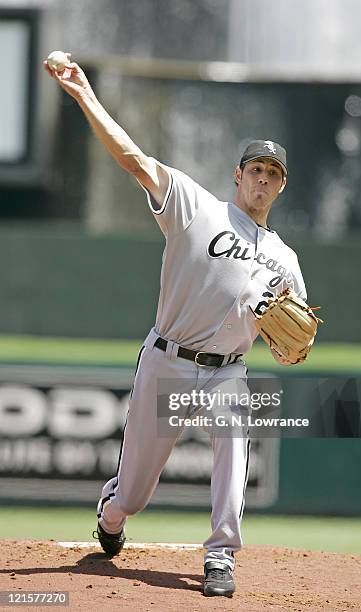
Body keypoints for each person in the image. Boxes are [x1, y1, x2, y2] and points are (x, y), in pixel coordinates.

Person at [43, 55, 307, 598]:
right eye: (256, 168)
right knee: (134, 494)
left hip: (226, 373)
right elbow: (133, 158)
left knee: (235, 435)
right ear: (238, 175)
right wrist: (84, 95)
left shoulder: (287, 260)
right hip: (167, 360)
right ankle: (111, 514)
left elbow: (292, 346)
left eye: (273, 173)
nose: (263, 178)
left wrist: (290, 351)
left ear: (281, 187)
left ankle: (220, 555)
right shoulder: (195, 206)